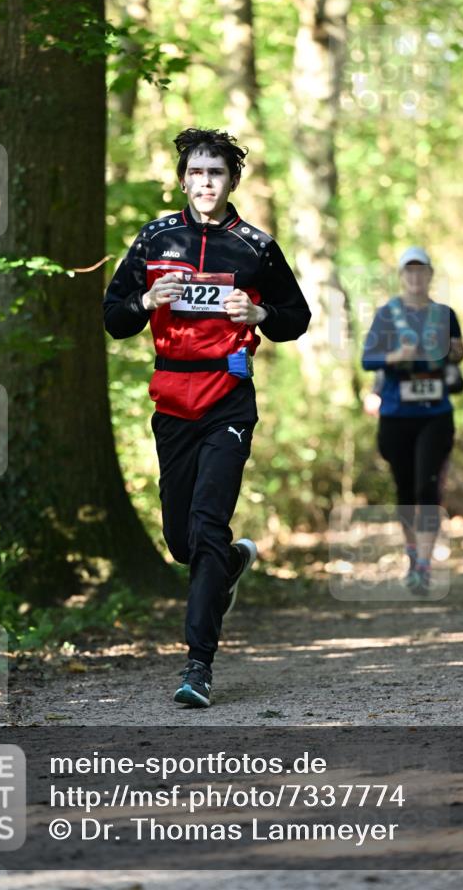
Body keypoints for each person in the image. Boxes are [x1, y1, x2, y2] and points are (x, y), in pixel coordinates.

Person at [104, 128, 311, 706]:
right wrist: (146, 302)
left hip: (228, 396)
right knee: (182, 540)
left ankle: (198, 666)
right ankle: (232, 561)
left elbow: (296, 317)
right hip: (171, 398)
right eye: (195, 172)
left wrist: (260, 309)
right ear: (182, 181)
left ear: (231, 181)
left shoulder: (255, 246)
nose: (205, 183)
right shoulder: (156, 239)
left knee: (209, 524)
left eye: (215, 173)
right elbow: (113, 317)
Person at [362, 247, 463, 594]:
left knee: (427, 487)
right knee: (406, 490)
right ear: (401, 276)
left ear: (430, 275)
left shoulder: (444, 313)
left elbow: (458, 352)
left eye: (422, 271)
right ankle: (411, 552)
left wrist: (453, 351)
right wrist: (395, 355)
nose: (416, 277)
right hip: (395, 413)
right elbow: (368, 359)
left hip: (435, 413)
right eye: (410, 271)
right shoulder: (387, 315)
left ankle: (423, 563)